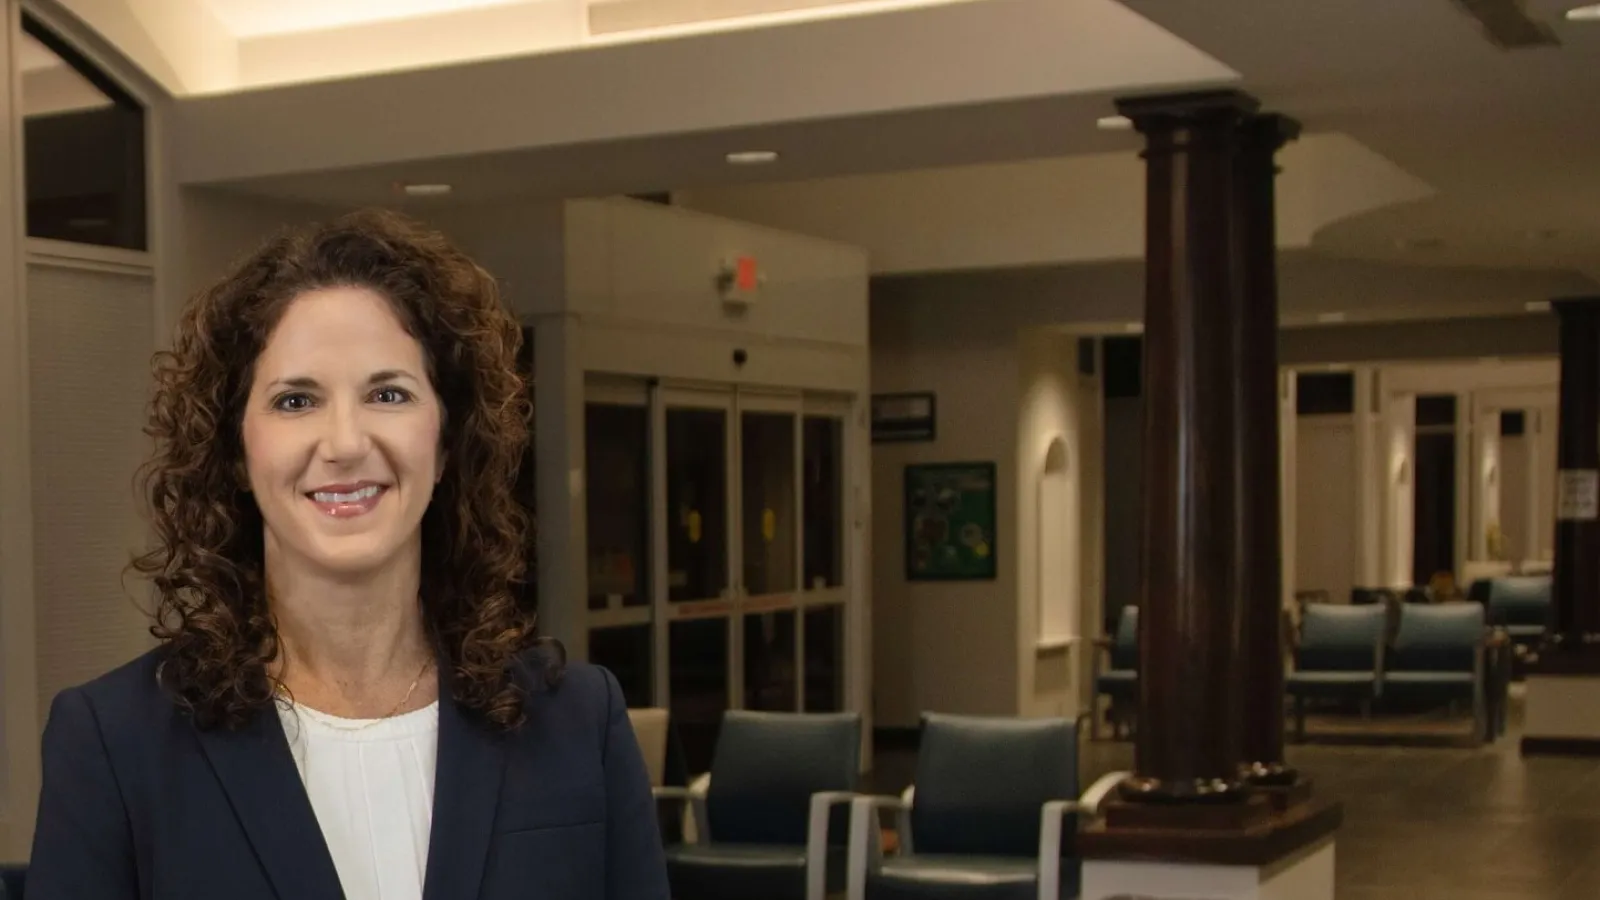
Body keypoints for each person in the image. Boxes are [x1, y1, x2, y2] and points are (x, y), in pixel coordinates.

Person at [27, 210, 669, 900]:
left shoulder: (577, 722)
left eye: (387, 394)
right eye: (296, 399)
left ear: (447, 441)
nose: (343, 442)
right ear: (237, 452)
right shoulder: (115, 742)